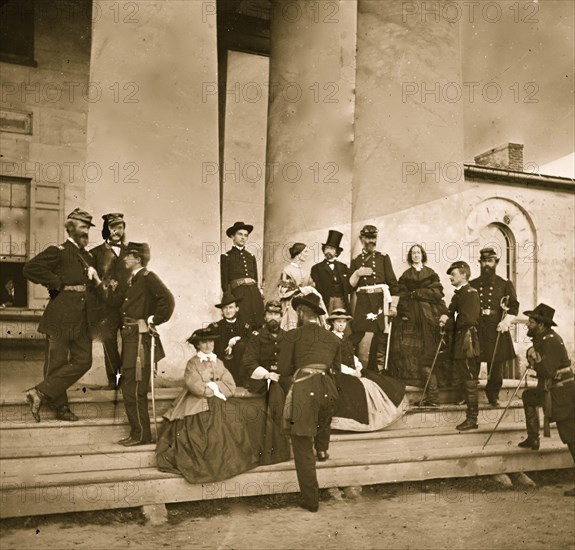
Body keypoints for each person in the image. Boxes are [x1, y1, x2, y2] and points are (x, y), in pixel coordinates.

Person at [23, 208, 99, 422]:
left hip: (82, 318)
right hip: (61, 315)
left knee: (84, 361)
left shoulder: (88, 256)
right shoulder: (58, 251)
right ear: (71, 227)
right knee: (56, 361)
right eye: (82, 227)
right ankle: (61, 407)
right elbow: (30, 269)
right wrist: (57, 283)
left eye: (87, 228)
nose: (86, 232)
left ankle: (39, 392)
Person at [96, 242, 175, 446]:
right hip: (129, 336)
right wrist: (102, 284)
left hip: (139, 339)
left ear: (138, 259)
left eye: (128, 256)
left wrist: (153, 319)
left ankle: (141, 435)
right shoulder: (132, 280)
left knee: (134, 387)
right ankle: (138, 433)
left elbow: (167, 299)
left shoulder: (148, 277)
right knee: (130, 385)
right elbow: (115, 303)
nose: (124, 259)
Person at [156, 326, 258, 482]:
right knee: (202, 429)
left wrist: (214, 387)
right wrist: (211, 388)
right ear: (198, 345)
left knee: (235, 420)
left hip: (218, 399)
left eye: (211, 341)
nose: (208, 345)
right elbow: (195, 386)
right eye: (204, 342)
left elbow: (230, 385)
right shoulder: (193, 363)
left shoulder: (218, 362)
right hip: (197, 401)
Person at [278, 293, 341, 512]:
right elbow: (337, 371)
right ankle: (322, 449)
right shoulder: (333, 338)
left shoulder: (291, 336)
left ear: (302, 313)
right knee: (322, 422)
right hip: (328, 388)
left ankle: (311, 500)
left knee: (302, 445)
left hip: (305, 390)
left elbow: (285, 370)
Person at [518, 305, 574, 493]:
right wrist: (532, 354)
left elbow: (548, 371)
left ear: (541, 324)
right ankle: (533, 438)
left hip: (562, 392)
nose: (527, 324)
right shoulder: (541, 337)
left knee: (571, 436)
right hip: (552, 389)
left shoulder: (550, 340)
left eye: (531, 322)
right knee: (528, 397)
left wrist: (534, 359)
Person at [328, 309, 406, 431]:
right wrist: (351, 372)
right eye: (338, 322)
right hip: (339, 372)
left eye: (344, 322)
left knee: (379, 382)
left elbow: (351, 356)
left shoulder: (345, 338)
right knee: (356, 388)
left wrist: (358, 367)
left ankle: (379, 417)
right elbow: (333, 361)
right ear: (332, 323)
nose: (342, 324)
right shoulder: (330, 339)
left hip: (354, 370)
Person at [390, 244, 448, 407]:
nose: (416, 255)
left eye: (418, 252)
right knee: (411, 348)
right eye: (413, 253)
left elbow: (437, 292)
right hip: (411, 314)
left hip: (430, 314)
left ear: (422, 255)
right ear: (411, 256)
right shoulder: (406, 275)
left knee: (429, 349)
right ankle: (415, 382)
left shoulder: (430, 273)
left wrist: (416, 293)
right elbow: (401, 294)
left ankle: (432, 393)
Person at [242, 300, 291, 465]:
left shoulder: (287, 337)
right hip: (262, 380)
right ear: (265, 316)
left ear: (281, 316)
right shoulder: (256, 337)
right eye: (270, 314)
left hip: (282, 377)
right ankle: (278, 443)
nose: (273, 318)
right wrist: (267, 374)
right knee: (276, 393)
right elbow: (249, 362)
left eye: (276, 314)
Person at [469, 247, 519, 407]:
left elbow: (514, 306)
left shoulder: (505, 284)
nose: (487, 264)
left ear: (495, 263)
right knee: (472, 362)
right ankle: (470, 396)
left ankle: (493, 396)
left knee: (496, 365)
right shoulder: (472, 284)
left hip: (496, 327)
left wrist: (506, 321)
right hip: (478, 327)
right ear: (480, 263)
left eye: (490, 261)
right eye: (484, 261)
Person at [349, 225, 399, 372]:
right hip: (364, 300)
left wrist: (394, 306)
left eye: (374, 238)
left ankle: (377, 370)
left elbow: (393, 283)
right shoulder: (357, 260)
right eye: (368, 238)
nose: (371, 241)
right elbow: (350, 287)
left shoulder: (383, 257)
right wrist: (358, 273)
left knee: (381, 335)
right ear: (361, 239)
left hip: (380, 300)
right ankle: (348, 364)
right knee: (357, 333)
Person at [90, 212, 130, 389]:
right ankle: (113, 381)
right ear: (106, 230)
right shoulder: (96, 253)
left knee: (130, 342)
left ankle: (128, 380)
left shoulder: (131, 253)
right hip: (106, 307)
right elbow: (92, 282)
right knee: (110, 343)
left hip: (128, 306)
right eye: (112, 227)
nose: (116, 231)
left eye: (120, 227)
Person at [440, 261, 481, 431]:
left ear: (464, 275)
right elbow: (453, 313)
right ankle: (470, 418)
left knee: (470, 381)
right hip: (458, 342)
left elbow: (467, 319)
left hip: (467, 343)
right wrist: (445, 316)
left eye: (454, 273)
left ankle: (472, 420)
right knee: (465, 379)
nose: (451, 277)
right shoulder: (458, 295)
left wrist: (447, 321)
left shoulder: (470, 294)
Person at [220, 221, 265, 329]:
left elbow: (255, 279)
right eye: (240, 234)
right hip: (239, 296)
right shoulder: (226, 256)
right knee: (243, 324)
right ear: (232, 236)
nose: (243, 237)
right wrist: (230, 301)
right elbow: (225, 283)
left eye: (246, 235)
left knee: (258, 323)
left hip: (254, 294)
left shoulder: (251, 256)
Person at [278, 242, 327, 332]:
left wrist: (310, 288)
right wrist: (300, 290)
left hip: (305, 303)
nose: (307, 254)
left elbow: (310, 286)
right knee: (293, 328)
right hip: (292, 305)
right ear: (298, 253)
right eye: (305, 252)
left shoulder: (305, 270)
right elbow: (283, 289)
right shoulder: (287, 270)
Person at [211, 290, 252, 386]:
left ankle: (242, 379)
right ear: (222, 310)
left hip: (240, 372)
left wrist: (237, 339)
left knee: (243, 344)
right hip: (222, 369)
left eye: (231, 307)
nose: (228, 311)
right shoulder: (216, 327)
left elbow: (251, 344)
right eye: (225, 308)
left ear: (237, 308)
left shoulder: (245, 327)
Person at [310, 230, 351, 314]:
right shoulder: (316, 268)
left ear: (336, 252)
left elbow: (349, 285)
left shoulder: (343, 267)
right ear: (324, 250)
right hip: (325, 301)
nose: (328, 251)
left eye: (332, 249)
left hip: (340, 301)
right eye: (327, 248)